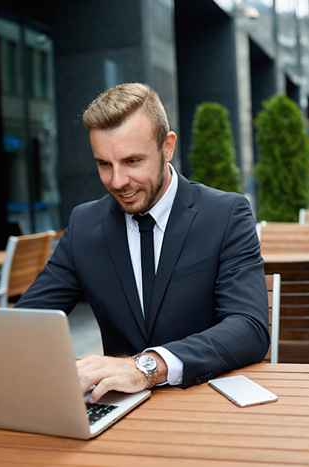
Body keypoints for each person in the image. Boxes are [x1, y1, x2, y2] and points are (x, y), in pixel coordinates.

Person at [16, 83, 268, 402]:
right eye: (104, 165)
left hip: (205, 405)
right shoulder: (85, 224)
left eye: (132, 161)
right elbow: (27, 323)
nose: (117, 181)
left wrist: (147, 367)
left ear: (168, 147)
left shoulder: (226, 214)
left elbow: (249, 328)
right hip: (118, 410)